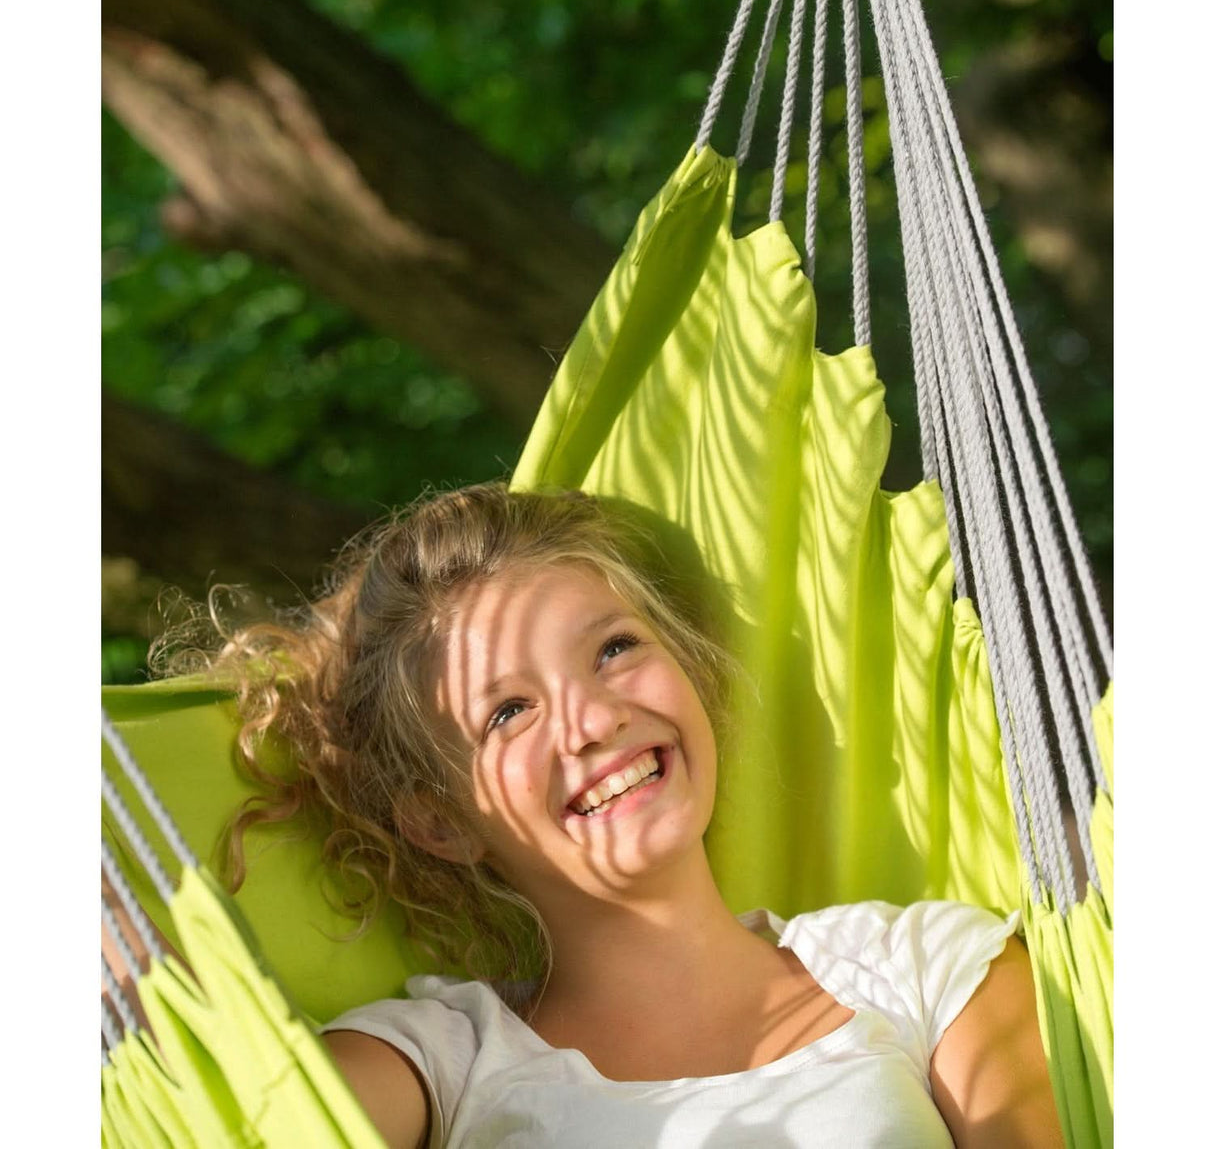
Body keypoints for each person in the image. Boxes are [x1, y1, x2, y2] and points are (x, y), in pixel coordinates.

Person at [193, 482, 1062, 1149]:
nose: (596, 719)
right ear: (441, 823)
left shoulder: (923, 970)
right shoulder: (442, 1062)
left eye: (614, 649)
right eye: (508, 712)